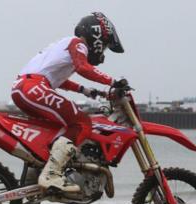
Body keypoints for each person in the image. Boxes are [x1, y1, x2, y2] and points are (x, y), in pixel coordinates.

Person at [11, 12, 128, 192]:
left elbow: (58, 78)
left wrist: (86, 91)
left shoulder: (64, 46)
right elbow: (84, 68)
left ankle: (35, 174)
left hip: (25, 87)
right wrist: (113, 81)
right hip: (33, 87)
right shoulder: (79, 44)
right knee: (82, 123)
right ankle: (51, 174)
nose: (102, 50)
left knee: (57, 129)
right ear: (96, 35)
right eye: (104, 45)